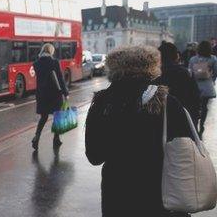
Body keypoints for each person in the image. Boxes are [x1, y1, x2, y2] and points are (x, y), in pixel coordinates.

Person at [85, 46, 193, 217]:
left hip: (117, 195)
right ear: (151, 68)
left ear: (114, 68)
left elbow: (94, 156)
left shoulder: (101, 103)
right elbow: (186, 148)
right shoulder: (167, 102)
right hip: (160, 193)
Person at [31, 43, 68, 151]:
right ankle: (56, 139)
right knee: (57, 116)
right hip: (55, 94)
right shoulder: (54, 62)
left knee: (44, 117)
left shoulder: (36, 63)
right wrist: (65, 93)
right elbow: (60, 79)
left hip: (42, 94)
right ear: (50, 51)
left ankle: (36, 138)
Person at [156, 42, 201, 127]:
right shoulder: (186, 73)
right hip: (183, 117)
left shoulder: (155, 74)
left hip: (161, 118)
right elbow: (195, 96)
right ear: (176, 56)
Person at [188, 40, 217, 135]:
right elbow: (216, 72)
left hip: (195, 86)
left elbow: (190, 73)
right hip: (207, 86)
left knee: (195, 107)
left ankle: (195, 125)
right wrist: (211, 79)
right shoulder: (213, 59)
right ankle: (202, 126)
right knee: (205, 107)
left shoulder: (193, 59)